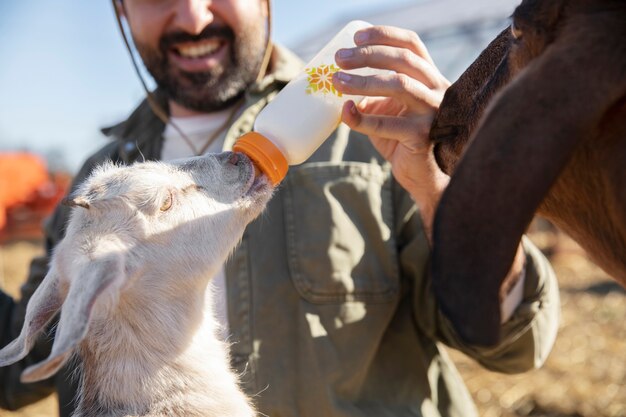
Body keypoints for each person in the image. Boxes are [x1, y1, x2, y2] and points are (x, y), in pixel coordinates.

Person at [0, 0, 560, 416]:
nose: (193, 18)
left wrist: (445, 186)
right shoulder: (99, 187)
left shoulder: (374, 121)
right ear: (121, 12)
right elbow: (19, 366)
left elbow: (516, 345)